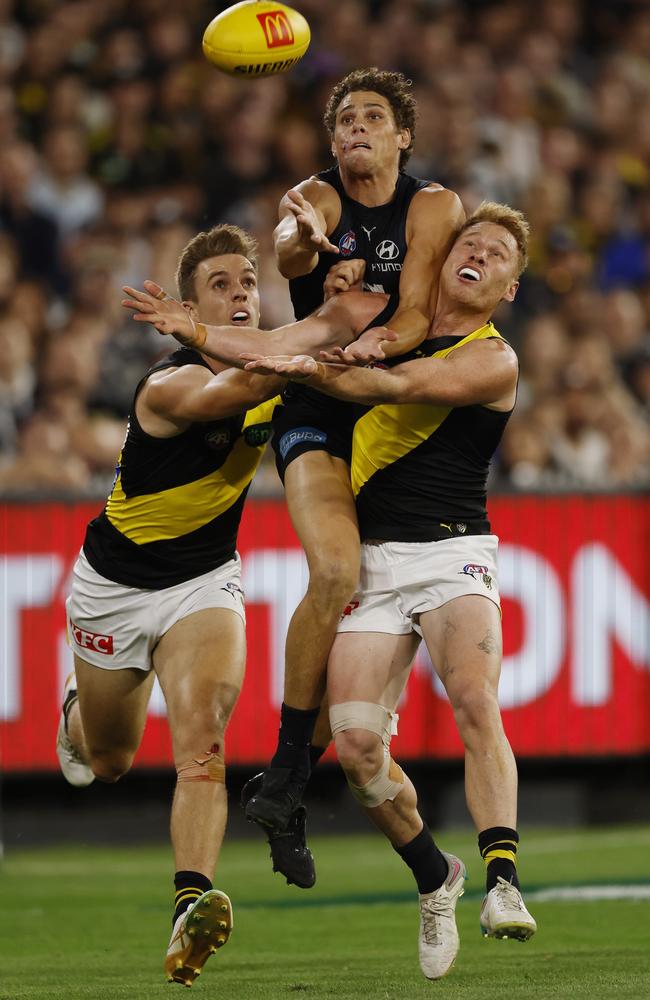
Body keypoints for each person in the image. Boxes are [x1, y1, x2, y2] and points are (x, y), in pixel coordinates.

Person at [243, 203, 538, 980]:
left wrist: (327, 366)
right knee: (359, 747)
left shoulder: (493, 357)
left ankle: (503, 881)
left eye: (499, 253)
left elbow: (406, 382)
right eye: (470, 241)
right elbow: (312, 311)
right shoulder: (387, 313)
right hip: (372, 559)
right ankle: (434, 875)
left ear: (509, 287)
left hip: (452, 554)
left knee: (475, 699)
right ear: (442, 257)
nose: (480, 252)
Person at [56, 223, 294, 988]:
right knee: (110, 760)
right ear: (190, 308)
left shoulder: (271, 365)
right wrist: (324, 341)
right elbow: (242, 386)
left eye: (248, 283)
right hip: (113, 593)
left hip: (204, 584)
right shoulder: (169, 383)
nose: (240, 296)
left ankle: (187, 911)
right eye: (219, 286)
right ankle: (75, 713)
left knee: (202, 748)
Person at [243, 67, 465, 872]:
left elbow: (414, 309)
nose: (354, 130)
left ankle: (291, 783)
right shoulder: (316, 196)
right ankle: (291, 769)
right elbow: (294, 244)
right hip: (318, 409)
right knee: (335, 572)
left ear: (404, 135)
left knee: (389, 590)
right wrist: (302, 244)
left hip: (393, 414)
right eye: (343, 120)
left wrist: (377, 344)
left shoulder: (435, 206)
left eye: (372, 117)